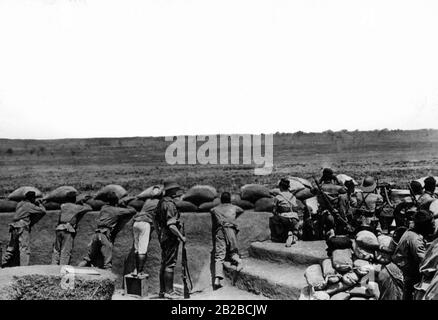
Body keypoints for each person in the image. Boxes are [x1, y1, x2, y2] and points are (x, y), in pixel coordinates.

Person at [78, 191, 136, 269]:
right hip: (104, 235)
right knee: (107, 262)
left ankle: (76, 270)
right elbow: (133, 211)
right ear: (116, 201)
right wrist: (124, 205)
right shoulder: (117, 210)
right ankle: (108, 278)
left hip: (96, 235)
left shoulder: (103, 207)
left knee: (87, 258)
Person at [391, 209, 435, 300]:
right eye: (432, 224)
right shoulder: (415, 239)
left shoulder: (411, 233)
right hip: (404, 275)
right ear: (425, 226)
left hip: (404, 271)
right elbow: (424, 262)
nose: (434, 227)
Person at [155, 180, 186, 299]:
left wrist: (159, 234)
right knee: (170, 264)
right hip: (170, 237)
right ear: (171, 191)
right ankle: (169, 292)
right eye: (175, 189)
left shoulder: (161, 202)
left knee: (164, 263)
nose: (177, 191)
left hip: (163, 236)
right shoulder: (170, 204)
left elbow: (155, 219)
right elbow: (171, 225)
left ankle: (162, 291)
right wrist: (181, 237)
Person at [2, 191, 46, 267]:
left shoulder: (19, 204)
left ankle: (2, 262)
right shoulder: (29, 205)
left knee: (11, 247)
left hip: (14, 227)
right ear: (32, 198)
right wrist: (39, 204)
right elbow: (43, 211)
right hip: (22, 227)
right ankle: (24, 268)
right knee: (24, 248)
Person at [210, 192, 244, 290]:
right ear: (229, 199)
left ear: (221, 199)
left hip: (220, 231)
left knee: (219, 255)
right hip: (231, 231)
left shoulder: (215, 209)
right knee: (233, 250)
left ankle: (217, 278)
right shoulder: (234, 208)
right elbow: (241, 210)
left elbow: (211, 210)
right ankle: (239, 261)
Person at [51, 192, 92, 265]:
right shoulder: (76, 207)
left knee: (56, 250)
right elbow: (89, 208)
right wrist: (82, 202)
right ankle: (62, 268)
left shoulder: (63, 206)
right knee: (65, 251)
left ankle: (53, 267)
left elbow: (59, 217)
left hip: (59, 228)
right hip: (68, 229)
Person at [130, 186, 162, 276]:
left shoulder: (147, 201)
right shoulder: (159, 202)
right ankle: (140, 272)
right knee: (142, 250)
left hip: (136, 223)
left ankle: (135, 270)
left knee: (136, 249)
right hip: (144, 223)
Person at [269, 178, 302, 246]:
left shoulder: (278, 197)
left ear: (280, 187)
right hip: (295, 219)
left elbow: (274, 210)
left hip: (284, 220)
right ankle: (293, 235)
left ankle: (280, 237)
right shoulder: (293, 197)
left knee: (273, 218)